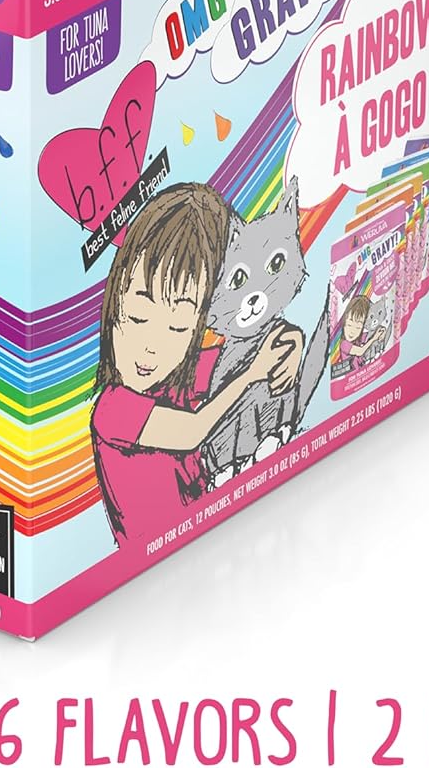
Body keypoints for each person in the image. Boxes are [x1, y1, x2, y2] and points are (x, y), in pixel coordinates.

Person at [92, 183, 302, 545]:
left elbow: (237, 355)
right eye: (138, 318)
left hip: (210, 535)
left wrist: (289, 339)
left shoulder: (177, 378)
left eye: (178, 328)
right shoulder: (112, 409)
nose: (151, 348)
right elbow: (192, 431)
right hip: (151, 558)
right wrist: (252, 374)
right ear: (115, 303)